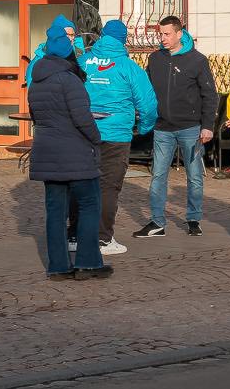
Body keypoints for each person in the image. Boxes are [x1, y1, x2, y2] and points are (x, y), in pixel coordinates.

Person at [28, 23, 110, 280]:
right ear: (68, 54)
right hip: (76, 154)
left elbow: (37, 116)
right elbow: (82, 118)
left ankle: (58, 266)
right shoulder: (69, 80)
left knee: (55, 212)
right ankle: (87, 262)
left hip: (47, 154)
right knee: (89, 206)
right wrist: (96, 139)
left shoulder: (35, 82)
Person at [81, 19, 157, 256]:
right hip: (116, 135)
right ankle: (103, 240)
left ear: (102, 36)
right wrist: (144, 128)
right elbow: (148, 104)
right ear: (124, 40)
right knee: (108, 187)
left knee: (81, 183)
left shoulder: (83, 61)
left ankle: (75, 235)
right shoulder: (129, 67)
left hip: (83, 133)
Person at [136, 16, 217, 238]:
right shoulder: (155, 59)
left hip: (191, 128)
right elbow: (146, 91)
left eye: (167, 34)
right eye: (160, 34)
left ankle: (193, 218)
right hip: (162, 128)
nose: (162, 38)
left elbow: (209, 94)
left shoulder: (197, 60)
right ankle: (157, 222)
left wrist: (207, 126)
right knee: (158, 176)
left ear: (179, 33)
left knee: (195, 177)